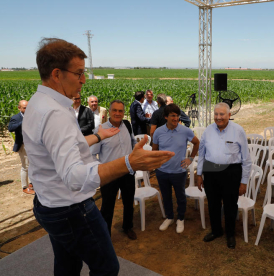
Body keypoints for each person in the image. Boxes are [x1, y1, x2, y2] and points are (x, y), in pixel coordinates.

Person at [23, 38, 174, 276]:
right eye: (79, 73)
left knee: (67, 265)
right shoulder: (55, 113)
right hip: (71, 209)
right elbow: (74, 177)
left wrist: (98, 136)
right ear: (56, 74)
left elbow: (61, 148)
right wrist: (129, 162)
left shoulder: (38, 102)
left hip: (49, 203)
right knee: (106, 267)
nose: (83, 79)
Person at [197, 102, 252, 249]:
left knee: (230, 205)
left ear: (229, 115)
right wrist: (199, 174)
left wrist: (244, 181)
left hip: (231, 172)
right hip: (210, 171)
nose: (218, 117)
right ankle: (216, 231)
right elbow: (201, 153)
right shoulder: (208, 130)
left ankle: (230, 234)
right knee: (213, 204)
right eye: (216, 114)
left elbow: (246, 159)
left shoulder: (238, 131)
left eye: (222, 114)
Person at [90, 100, 138, 240]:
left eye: (120, 111)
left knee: (129, 202)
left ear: (124, 113)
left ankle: (127, 226)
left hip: (127, 171)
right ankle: (106, 235)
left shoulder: (127, 125)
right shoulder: (101, 130)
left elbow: (133, 142)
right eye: (115, 110)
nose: (117, 113)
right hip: (109, 174)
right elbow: (92, 154)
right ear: (109, 111)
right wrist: (101, 170)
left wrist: (134, 158)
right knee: (107, 206)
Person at [152, 104, 200, 233]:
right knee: (166, 196)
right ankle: (169, 217)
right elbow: (154, 150)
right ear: (165, 117)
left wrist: (190, 158)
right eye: (173, 115)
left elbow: (197, 142)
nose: (176, 118)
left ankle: (181, 218)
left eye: (177, 115)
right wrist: (157, 164)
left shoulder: (185, 131)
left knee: (180, 196)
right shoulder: (158, 132)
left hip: (179, 171)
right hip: (162, 171)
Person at [8, 100, 33, 195]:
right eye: (24, 108)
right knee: (25, 166)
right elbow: (10, 128)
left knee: (32, 164)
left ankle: (31, 183)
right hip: (23, 145)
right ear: (19, 108)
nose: (27, 109)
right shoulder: (16, 118)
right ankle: (25, 187)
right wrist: (23, 122)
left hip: (32, 144)